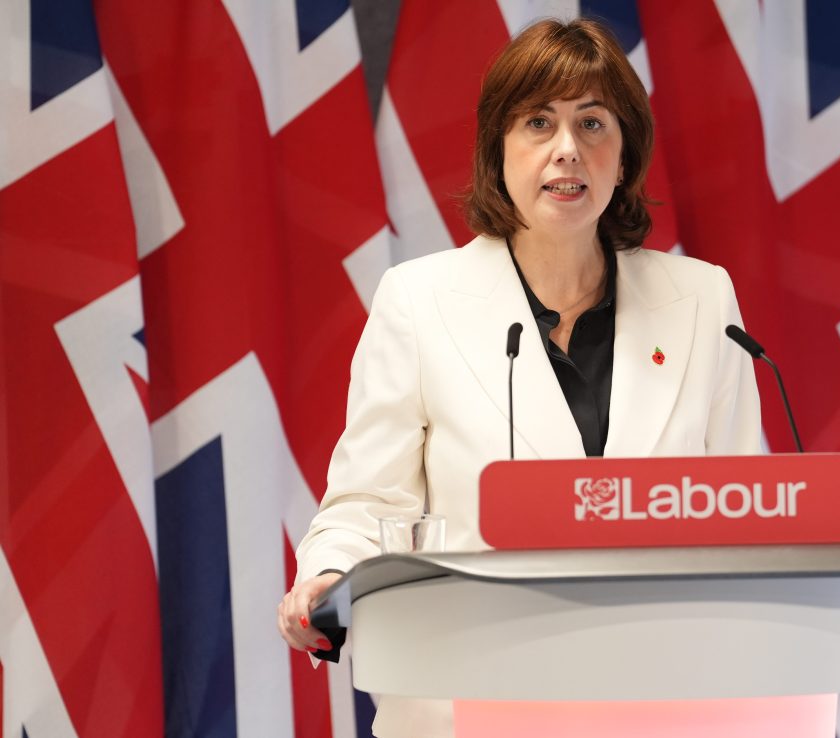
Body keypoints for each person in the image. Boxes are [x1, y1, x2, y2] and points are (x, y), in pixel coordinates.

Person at [277, 16, 761, 738]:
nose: (567, 149)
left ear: (623, 157)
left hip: (659, 704)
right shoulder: (419, 300)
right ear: (497, 152)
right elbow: (368, 500)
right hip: (471, 701)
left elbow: (743, 511)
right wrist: (326, 575)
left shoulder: (702, 301)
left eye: (592, 123)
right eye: (539, 122)